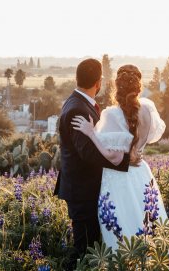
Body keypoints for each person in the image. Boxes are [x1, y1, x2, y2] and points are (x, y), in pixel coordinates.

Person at [70, 64, 168, 249]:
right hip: (142, 174)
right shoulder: (147, 109)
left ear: (116, 86)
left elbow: (113, 157)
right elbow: (146, 140)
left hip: (119, 178)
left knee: (121, 227)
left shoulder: (111, 114)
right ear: (139, 86)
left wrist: (91, 133)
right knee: (147, 221)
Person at [54, 58, 134, 269]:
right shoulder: (77, 109)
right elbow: (87, 153)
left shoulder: (78, 103)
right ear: (98, 82)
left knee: (90, 245)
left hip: (86, 188)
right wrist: (125, 160)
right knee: (84, 249)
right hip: (82, 190)